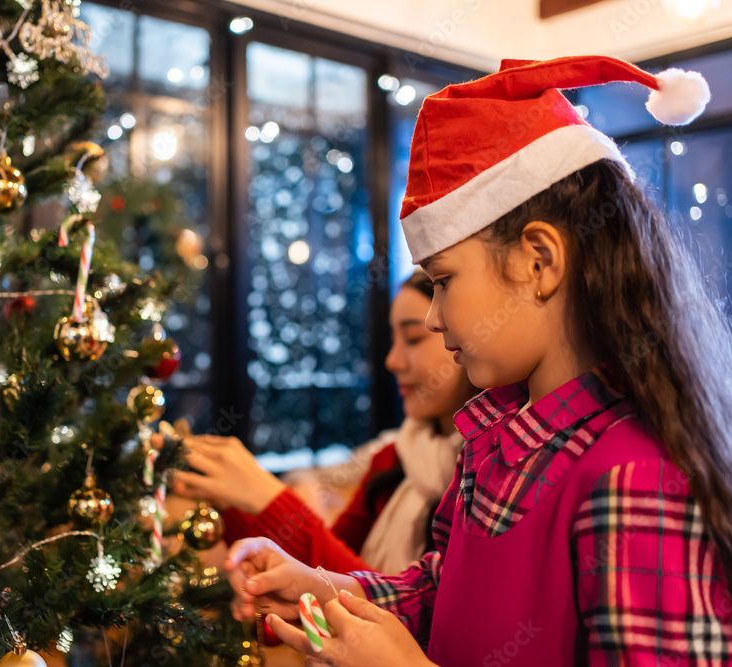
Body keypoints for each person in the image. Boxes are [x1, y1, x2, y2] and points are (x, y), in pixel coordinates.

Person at [223, 55, 732, 666]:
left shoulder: (633, 480)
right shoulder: (499, 442)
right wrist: (328, 589)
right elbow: (442, 593)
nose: (435, 317)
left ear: (538, 261)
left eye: (443, 280)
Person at [171, 270, 476, 574]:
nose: (392, 361)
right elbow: (323, 570)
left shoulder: (486, 474)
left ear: (465, 337)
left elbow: (401, 611)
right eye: (393, 340)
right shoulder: (394, 459)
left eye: (413, 338)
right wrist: (227, 496)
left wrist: (269, 498)